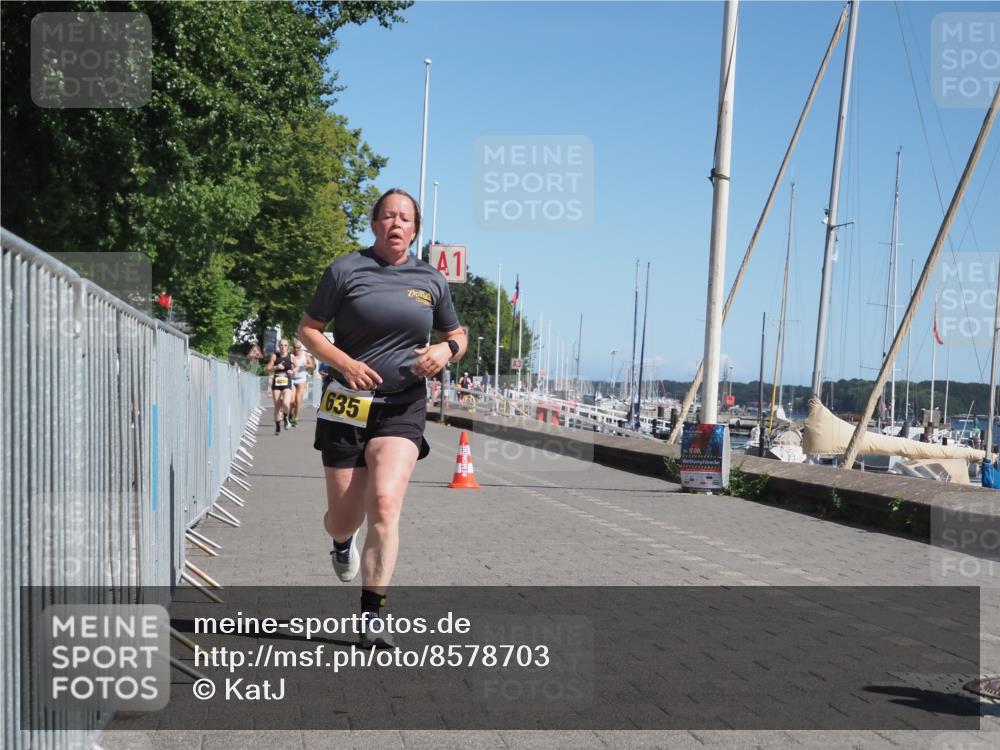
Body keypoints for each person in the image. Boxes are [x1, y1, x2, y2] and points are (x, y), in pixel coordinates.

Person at [298, 188, 466, 648]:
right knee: (343, 517)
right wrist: (345, 364)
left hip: (402, 404)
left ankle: (373, 615)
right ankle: (338, 541)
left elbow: (457, 334)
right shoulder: (345, 270)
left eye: (405, 219)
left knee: (386, 503)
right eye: (388, 217)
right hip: (346, 404)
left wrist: (444, 350)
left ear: (415, 230)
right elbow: (308, 330)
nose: (396, 224)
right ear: (374, 224)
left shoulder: (430, 280)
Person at [266, 339, 295, 434]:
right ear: (279, 346)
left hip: (287, 381)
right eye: (281, 345)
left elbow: (297, 367)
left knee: (287, 403)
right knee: (277, 406)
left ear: (288, 347)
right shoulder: (275, 356)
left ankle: (286, 417)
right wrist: (276, 367)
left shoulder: (291, 356)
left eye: (285, 345)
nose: (283, 347)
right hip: (277, 382)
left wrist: (292, 371)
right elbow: (267, 369)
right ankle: (278, 425)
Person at [289, 339, 314, 427]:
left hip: (301, 379)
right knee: (292, 401)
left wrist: (304, 365)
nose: (297, 349)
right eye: (295, 348)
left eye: (299, 347)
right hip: (292, 379)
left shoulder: (305, 355)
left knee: (298, 400)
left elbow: (312, 365)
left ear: (301, 347)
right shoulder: (291, 355)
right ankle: (290, 414)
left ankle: (296, 418)